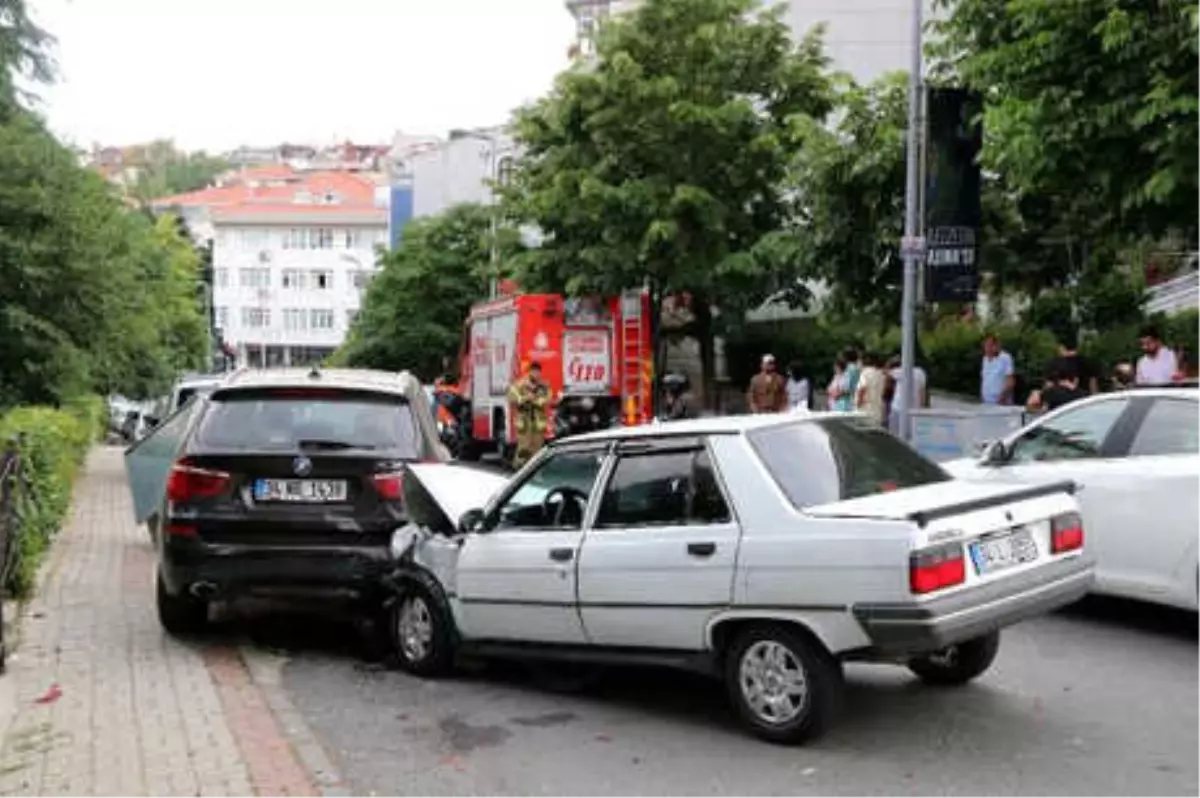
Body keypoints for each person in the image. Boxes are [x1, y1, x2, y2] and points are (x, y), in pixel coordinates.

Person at [507, 360, 550, 469]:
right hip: (524, 421)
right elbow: (512, 398)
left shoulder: (544, 386)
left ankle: (534, 471)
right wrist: (526, 398)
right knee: (524, 447)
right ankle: (519, 469)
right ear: (530, 371)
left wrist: (536, 400)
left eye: (538, 372)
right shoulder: (520, 385)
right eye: (534, 371)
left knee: (537, 448)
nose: (536, 374)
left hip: (538, 422)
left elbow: (547, 399)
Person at [887, 354, 929, 436]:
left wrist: (890, 361)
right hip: (914, 410)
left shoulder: (901, 371)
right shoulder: (921, 372)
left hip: (898, 408)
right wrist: (922, 409)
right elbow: (922, 392)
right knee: (911, 436)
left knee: (894, 435)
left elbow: (886, 372)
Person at [980, 333, 1015, 405]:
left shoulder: (1005, 358)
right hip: (986, 400)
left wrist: (1002, 397)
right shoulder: (985, 359)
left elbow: (1010, 381)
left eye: (990, 346)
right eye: (985, 346)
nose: (987, 349)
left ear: (996, 346)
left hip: (1000, 401)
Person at [854, 352, 887, 426]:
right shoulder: (881, 374)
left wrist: (858, 403)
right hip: (877, 410)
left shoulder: (865, 373)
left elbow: (862, 388)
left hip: (865, 410)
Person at [836, 347, 862, 412]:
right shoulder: (857, 369)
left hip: (846, 402)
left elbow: (846, 388)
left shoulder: (849, 369)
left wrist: (838, 395)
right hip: (853, 399)